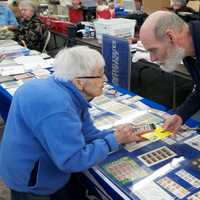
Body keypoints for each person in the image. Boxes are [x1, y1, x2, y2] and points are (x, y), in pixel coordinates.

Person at [0, 46, 143, 200]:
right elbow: (72, 160)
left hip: (38, 165)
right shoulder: (57, 106)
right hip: (32, 180)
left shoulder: (66, 90)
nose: (106, 79)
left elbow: (88, 133)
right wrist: (112, 141)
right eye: (100, 75)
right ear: (79, 82)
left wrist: (119, 136)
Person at [139, 10, 200, 135]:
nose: (152, 59)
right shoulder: (188, 49)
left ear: (171, 37)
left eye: (153, 50)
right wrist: (181, 115)